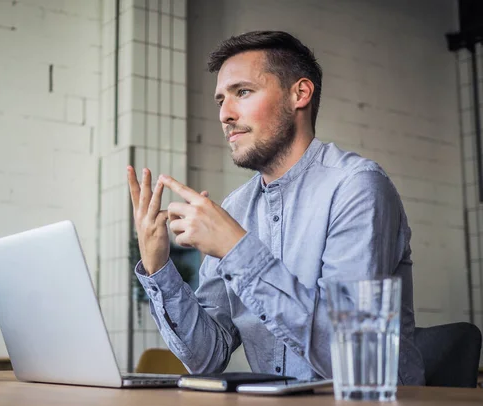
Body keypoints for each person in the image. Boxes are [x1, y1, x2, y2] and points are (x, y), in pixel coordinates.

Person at [126, 30, 425, 385]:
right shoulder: (235, 208)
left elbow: (348, 355)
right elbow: (207, 356)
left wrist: (238, 250)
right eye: (220, 100)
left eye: (243, 92)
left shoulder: (357, 186)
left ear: (300, 93)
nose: (224, 114)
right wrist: (159, 265)